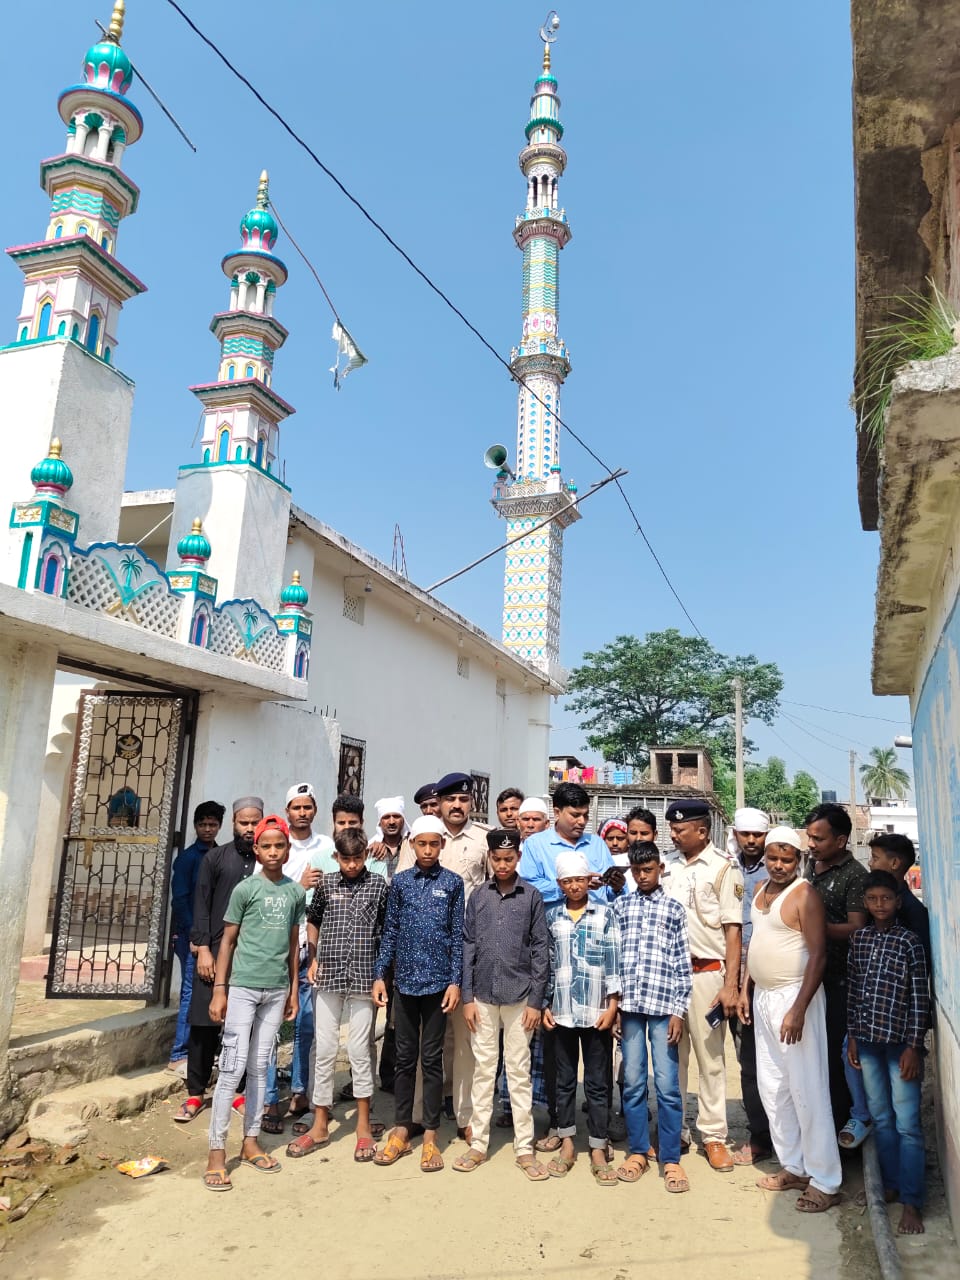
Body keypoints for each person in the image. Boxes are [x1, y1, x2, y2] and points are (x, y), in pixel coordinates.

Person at [738, 826, 841, 1214]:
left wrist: (798, 1008)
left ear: (799, 860)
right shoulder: (760, 889)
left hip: (795, 998)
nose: (779, 865)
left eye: (787, 859)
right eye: (773, 858)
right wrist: (746, 987)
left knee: (807, 1089)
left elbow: (818, 955)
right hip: (764, 997)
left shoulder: (805, 895)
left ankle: (826, 1181)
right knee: (773, 1086)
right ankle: (795, 1166)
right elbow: (756, 942)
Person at [518, 782, 622, 1154]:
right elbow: (530, 887)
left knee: (597, 1061)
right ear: (557, 812)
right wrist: (570, 884)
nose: (581, 821)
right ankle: (556, 1124)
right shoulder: (536, 845)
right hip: (552, 946)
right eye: (574, 815)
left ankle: (599, 1129)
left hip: (594, 949)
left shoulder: (597, 845)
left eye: (585, 815)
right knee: (555, 1059)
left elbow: (609, 893)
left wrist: (611, 885)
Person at [203, 814, 305, 1191]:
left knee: (261, 1066)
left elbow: (292, 945)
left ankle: (250, 1142)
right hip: (244, 987)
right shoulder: (245, 889)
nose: (274, 851)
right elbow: (227, 942)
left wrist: (292, 990)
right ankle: (216, 1151)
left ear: (287, 850)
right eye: (267, 846)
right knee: (232, 1068)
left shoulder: (295, 893)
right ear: (257, 851)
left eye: (280, 845)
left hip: (276, 991)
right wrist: (220, 989)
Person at [287, 828, 388, 1163]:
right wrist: (313, 957)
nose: (352, 865)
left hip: (364, 976)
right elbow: (313, 919)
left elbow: (386, 932)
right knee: (325, 1048)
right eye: (346, 859)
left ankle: (363, 1125)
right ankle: (319, 1123)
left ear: (365, 855)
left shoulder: (378, 886)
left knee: (359, 1049)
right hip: (328, 972)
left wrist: (381, 976)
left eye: (357, 858)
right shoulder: (327, 883)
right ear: (336, 857)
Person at [454, 829, 550, 1180]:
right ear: (490, 859)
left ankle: (524, 1147)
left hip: (520, 997)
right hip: (482, 996)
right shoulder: (479, 896)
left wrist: (536, 1001)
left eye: (509, 858)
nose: (503, 864)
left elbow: (540, 950)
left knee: (518, 1071)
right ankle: (478, 1143)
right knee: (483, 1070)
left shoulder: (531, 896)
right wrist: (467, 998)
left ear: (518, 857)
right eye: (497, 859)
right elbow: (467, 947)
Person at [373, 816, 464, 1173]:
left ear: (442, 845)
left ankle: (430, 1134)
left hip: (439, 985)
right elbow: (390, 930)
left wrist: (455, 981)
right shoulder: (400, 883)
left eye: (434, 844)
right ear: (412, 845)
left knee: (432, 1059)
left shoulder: (452, 883)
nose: (427, 850)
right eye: (422, 844)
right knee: (404, 1058)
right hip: (405, 983)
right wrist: (380, 975)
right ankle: (401, 1129)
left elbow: (457, 934)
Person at [848, 870, 930, 1236]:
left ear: (898, 901)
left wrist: (914, 1046)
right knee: (880, 1118)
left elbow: (919, 998)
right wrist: (852, 1037)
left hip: (901, 1046)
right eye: (872, 899)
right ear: (865, 903)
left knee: (907, 1123)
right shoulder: (860, 939)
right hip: (867, 1042)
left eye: (886, 898)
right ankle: (892, 1184)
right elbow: (854, 991)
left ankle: (912, 1201)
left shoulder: (910, 942)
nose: (879, 905)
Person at [662, 798, 742, 1172]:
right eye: (672, 829)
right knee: (671, 1058)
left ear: (702, 831)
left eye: (680, 830)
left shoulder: (724, 868)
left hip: (707, 974)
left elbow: (733, 931)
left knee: (710, 1060)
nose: (674, 835)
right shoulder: (667, 866)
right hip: (668, 975)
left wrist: (731, 984)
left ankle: (713, 1135)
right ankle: (674, 1131)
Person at [177, 796, 263, 1123]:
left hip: (251, 954)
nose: (250, 828)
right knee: (204, 1022)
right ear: (234, 824)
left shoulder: (267, 860)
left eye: (255, 822)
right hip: (213, 950)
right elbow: (201, 904)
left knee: (244, 1025)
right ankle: (196, 1093)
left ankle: (238, 1091)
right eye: (244, 823)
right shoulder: (215, 858)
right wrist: (202, 948)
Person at [613, 840, 691, 1194]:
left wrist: (679, 1011)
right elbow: (613, 958)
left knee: (667, 1085)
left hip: (663, 1008)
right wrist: (614, 1005)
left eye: (648, 870)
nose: (643, 876)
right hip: (630, 1007)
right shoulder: (621, 907)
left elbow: (682, 963)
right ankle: (639, 1151)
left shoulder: (673, 909)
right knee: (632, 1081)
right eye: (637, 871)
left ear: (660, 869)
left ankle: (671, 1157)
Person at [542, 849, 621, 1185]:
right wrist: (544, 1004)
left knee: (598, 1083)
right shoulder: (552, 917)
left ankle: (598, 1146)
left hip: (596, 1011)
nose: (574, 886)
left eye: (579, 880)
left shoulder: (605, 914)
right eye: (568, 881)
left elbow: (613, 961)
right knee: (563, 1081)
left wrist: (613, 1006)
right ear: (559, 884)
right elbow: (546, 963)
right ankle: (567, 1143)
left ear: (590, 880)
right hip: (560, 1011)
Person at [262, 782, 330, 1134]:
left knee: (307, 1023)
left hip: (312, 946)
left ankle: (301, 1091)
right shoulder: (275, 844)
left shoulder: (327, 847)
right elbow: (265, 892)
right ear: (287, 810)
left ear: (315, 809)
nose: (302, 812)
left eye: (308, 806)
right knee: (271, 1025)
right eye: (296, 807)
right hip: (277, 946)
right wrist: (300, 886)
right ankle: (269, 1098)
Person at [804, 802, 870, 1141]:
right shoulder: (810, 867)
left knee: (835, 1059)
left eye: (819, 838)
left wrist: (815, 928)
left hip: (839, 982)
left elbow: (857, 928)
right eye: (810, 837)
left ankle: (840, 1133)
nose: (811, 844)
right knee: (811, 1058)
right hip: (809, 979)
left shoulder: (855, 876)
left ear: (841, 840)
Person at [727, 807, 774, 1166]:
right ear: (736, 835)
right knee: (742, 1057)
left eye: (758, 835)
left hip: (766, 972)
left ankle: (768, 1134)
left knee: (764, 1058)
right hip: (727, 969)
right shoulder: (727, 867)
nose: (752, 841)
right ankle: (757, 1132)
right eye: (746, 834)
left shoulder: (776, 870)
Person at [167, 801, 224, 1074]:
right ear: (195, 826)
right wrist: (194, 935)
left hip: (214, 937)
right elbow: (180, 900)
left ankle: (205, 1051)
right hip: (192, 937)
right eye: (202, 824)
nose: (207, 829)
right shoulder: (188, 858)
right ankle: (179, 1053)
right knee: (191, 993)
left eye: (212, 825)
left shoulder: (221, 855)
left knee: (210, 992)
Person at [867, 833, 931, 966]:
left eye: (875, 858)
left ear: (894, 863)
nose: (870, 863)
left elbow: (920, 962)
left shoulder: (913, 910)